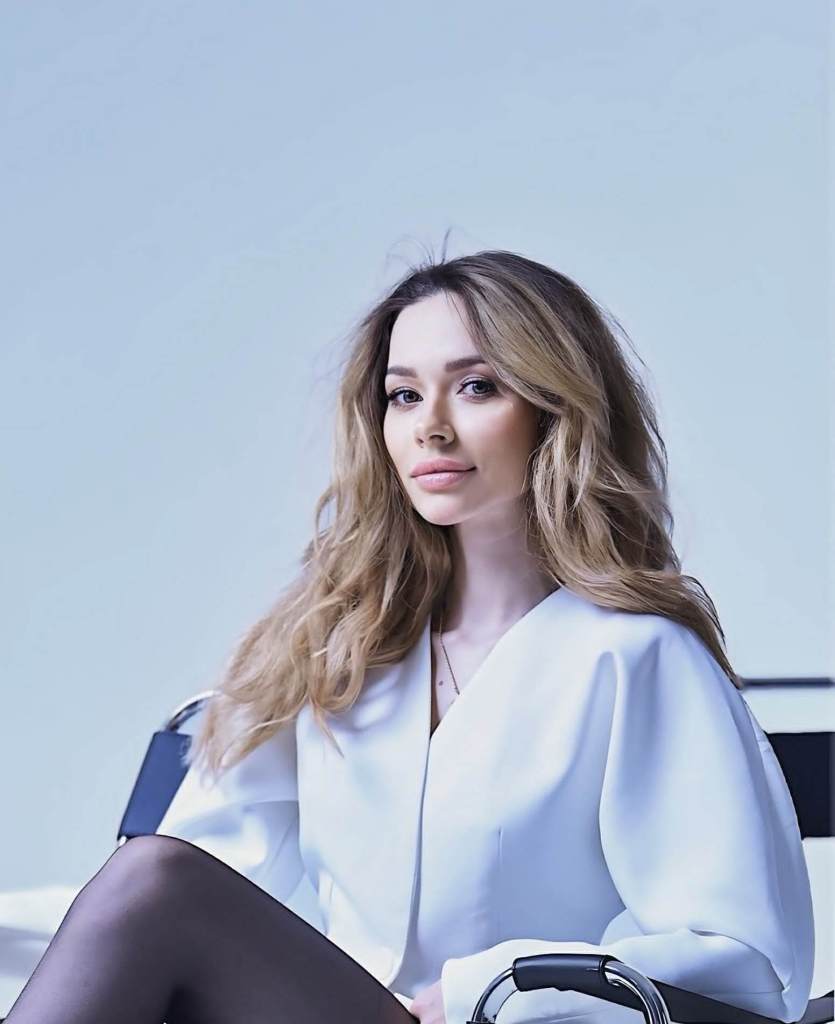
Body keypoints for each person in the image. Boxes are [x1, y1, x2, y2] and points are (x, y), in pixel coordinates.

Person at [1, 248, 815, 1024]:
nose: (430, 427)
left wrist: (488, 988)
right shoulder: (340, 651)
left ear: (555, 410)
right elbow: (209, 880)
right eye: (402, 396)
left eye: (477, 387)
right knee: (154, 877)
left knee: (156, 878)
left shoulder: (634, 657)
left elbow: (742, 959)